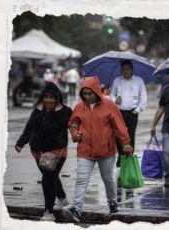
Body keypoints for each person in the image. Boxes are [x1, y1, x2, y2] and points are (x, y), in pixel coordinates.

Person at [63, 77, 133, 223]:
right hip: (85, 150)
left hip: (106, 151)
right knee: (82, 179)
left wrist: (126, 143)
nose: (87, 97)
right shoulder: (79, 107)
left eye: (90, 93)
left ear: (96, 91)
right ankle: (76, 208)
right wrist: (75, 134)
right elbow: (72, 123)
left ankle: (113, 204)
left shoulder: (109, 105)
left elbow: (119, 125)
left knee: (108, 179)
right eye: (85, 94)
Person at [14, 82, 73, 221]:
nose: (48, 100)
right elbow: (29, 127)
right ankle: (62, 198)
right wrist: (21, 142)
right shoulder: (38, 109)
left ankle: (49, 212)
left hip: (56, 150)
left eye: (51, 97)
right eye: (45, 97)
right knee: (51, 177)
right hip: (37, 150)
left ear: (57, 98)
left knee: (47, 178)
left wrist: (80, 136)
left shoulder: (66, 111)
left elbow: (75, 127)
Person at [109, 60, 147, 167]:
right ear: (121, 70)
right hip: (119, 112)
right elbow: (112, 94)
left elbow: (143, 96)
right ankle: (121, 155)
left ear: (132, 69)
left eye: (128, 69)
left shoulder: (139, 81)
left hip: (132, 113)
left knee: (130, 136)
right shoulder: (117, 81)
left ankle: (129, 156)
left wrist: (137, 110)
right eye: (124, 69)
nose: (126, 71)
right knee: (118, 135)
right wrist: (115, 100)